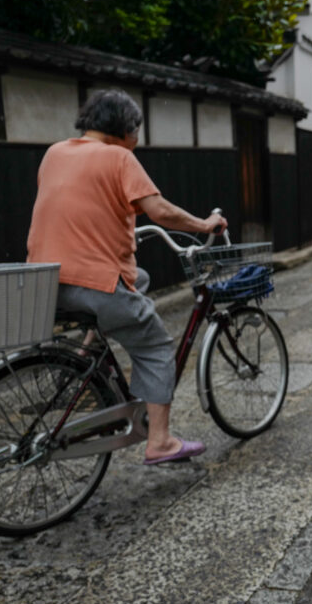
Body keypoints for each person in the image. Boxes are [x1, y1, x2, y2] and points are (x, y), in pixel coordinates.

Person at [27, 89, 226, 465]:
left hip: (46, 284)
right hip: (92, 286)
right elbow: (160, 211)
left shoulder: (55, 153)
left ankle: (87, 351)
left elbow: (75, 205)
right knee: (155, 347)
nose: (138, 139)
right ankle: (161, 442)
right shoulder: (119, 157)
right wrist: (205, 225)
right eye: (137, 130)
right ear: (125, 128)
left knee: (139, 277)